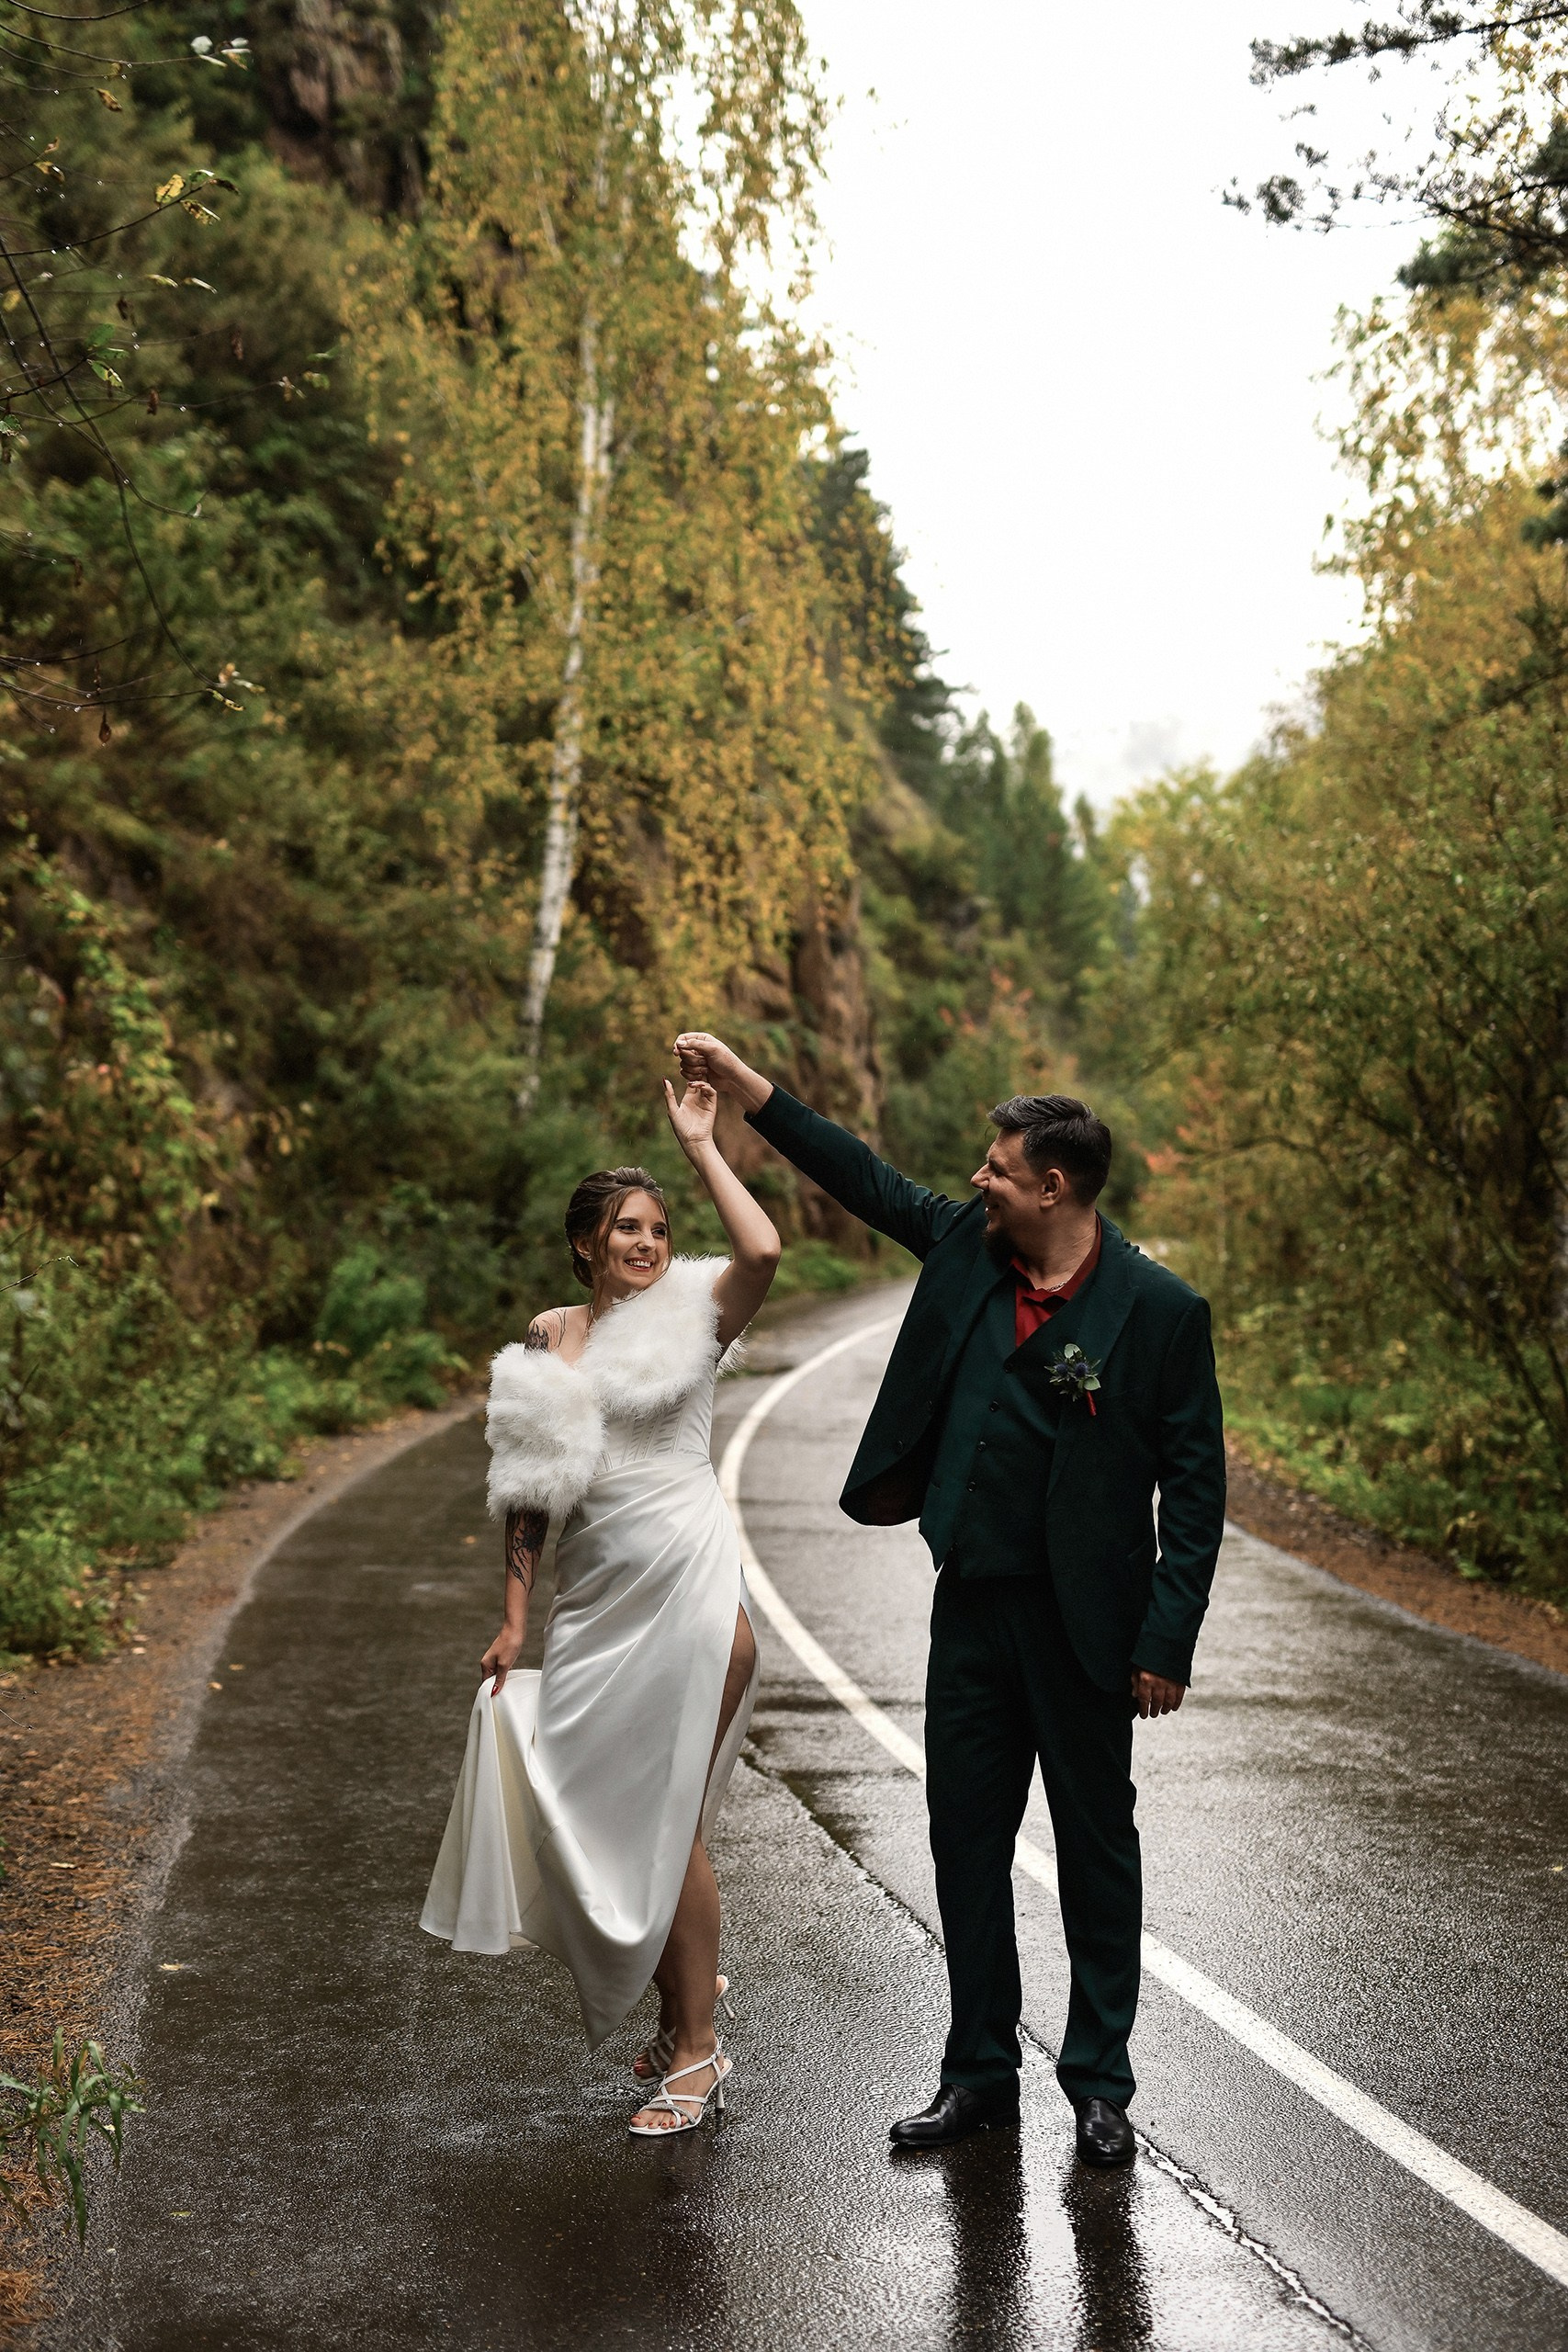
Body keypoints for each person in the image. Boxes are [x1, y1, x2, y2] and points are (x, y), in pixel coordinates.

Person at [672, 1032, 1226, 2167]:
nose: (979, 1178)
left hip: (1087, 1628)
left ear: (1053, 1187)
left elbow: (1196, 1488)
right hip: (970, 1607)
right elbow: (862, 1175)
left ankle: (1100, 2084)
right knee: (965, 1841)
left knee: (1096, 1851)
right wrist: (743, 1088)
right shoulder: (968, 1247)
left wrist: (1166, 1639)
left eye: (999, 1167)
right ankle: (978, 2073)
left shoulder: (1160, 1310)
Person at [421, 1074, 780, 2137]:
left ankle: (697, 2051)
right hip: (593, 1603)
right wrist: (514, 1617)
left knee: (666, 1823)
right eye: (628, 1227)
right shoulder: (551, 1338)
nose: (648, 1242)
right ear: (586, 1242)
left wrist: (703, 1145)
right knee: (608, 1815)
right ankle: (683, 2012)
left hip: (691, 1586)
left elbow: (762, 1251)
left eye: (659, 1228)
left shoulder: (697, 1313)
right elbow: (531, 1489)